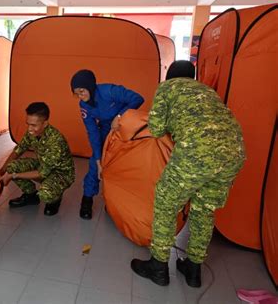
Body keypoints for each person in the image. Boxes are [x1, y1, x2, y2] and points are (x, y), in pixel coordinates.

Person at [131, 60, 246, 288]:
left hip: (198, 153)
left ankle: (158, 266)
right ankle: (193, 269)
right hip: (234, 153)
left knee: (166, 204)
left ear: (170, 77)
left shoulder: (167, 88)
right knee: (204, 211)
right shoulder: (207, 90)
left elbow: (155, 129)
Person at [70, 69, 144, 219]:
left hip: (125, 129)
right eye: (76, 93)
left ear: (90, 86)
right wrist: (98, 159)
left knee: (120, 166)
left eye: (82, 91)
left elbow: (138, 98)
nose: (80, 96)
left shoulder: (110, 91)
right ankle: (87, 199)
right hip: (105, 131)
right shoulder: (84, 106)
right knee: (94, 166)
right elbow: (92, 132)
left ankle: (115, 203)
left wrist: (119, 116)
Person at [0, 102, 75, 216]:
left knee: (45, 194)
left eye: (34, 125)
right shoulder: (32, 132)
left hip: (61, 174)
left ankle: (56, 196)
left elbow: (42, 173)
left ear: (45, 123)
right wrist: (2, 170)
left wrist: (13, 176)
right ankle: (30, 196)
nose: (30, 129)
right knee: (12, 167)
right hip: (43, 165)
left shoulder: (56, 141)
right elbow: (18, 150)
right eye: (28, 124)